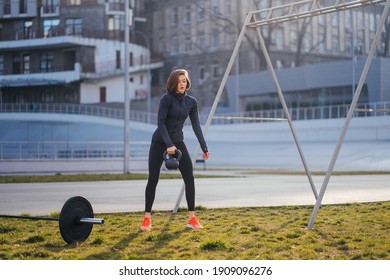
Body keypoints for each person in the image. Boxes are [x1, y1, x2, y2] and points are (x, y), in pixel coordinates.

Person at [140, 69, 210, 231]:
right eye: (179, 81)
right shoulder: (166, 99)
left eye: (184, 81)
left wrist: (204, 146)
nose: (182, 84)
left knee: (189, 178)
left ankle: (191, 218)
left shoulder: (191, 102)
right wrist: (168, 144)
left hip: (178, 142)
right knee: (153, 179)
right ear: (173, 83)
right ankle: (147, 218)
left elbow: (195, 125)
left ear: (187, 82)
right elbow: (160, 123)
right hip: (159, 142)